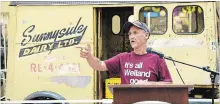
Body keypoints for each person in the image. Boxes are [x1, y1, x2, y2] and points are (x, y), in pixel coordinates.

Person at [76, 20, 172, 85]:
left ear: (146, 35)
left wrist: (149, 84)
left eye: (135, 33)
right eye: (129, 34)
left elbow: (168, 83)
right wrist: (89, 56)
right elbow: (99, 65)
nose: (131, 37)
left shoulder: (157, 59)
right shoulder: (122, 58)